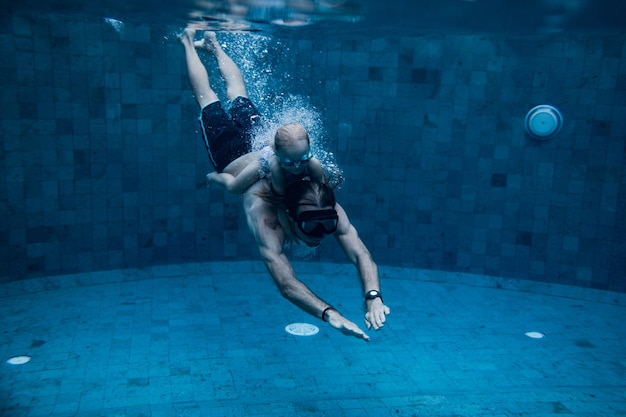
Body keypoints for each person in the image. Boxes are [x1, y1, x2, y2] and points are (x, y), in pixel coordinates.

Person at [180, 29, 390, 340]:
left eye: (324, 229)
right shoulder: (268, 222)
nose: (319, 237)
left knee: (239, 93)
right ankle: (188, 40)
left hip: (262, 144)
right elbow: (287, 284)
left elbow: (361, 252)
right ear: (289, 217)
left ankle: (213, 45)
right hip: (232, 157)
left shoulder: (322, 203)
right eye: (313, 231)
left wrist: (373, 297)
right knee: (208, 98)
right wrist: (330, 315)